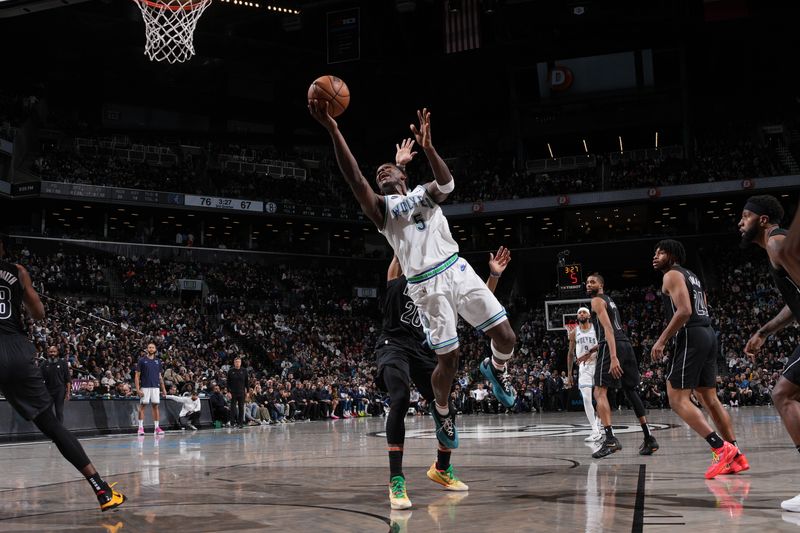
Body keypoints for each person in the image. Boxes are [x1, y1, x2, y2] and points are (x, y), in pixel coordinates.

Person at [308, 103, 517, 451]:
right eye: (379, 173)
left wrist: (429, 149)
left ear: (404, 175)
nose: (381, 172)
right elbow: (355, 178)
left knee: (507, 336)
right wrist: (332, 128)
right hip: (426, 285)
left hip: (456, 267)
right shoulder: (383, 211)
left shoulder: (423, 193)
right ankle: (442, 410)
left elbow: (447, 183)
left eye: (388, 168)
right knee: (448, 360)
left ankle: (496, 368)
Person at [379, 236, 512, 510]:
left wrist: (493, 276)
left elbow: (475, 303)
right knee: (401, 399)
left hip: (421, 349)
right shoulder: (399, 278)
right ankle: (396, 480)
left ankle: (441, 469)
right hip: (393, 345)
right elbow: (399, 251)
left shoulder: (439, 282)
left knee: (446, 404)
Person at [0, 233, 125, 511]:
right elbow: (39, 313)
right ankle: (101, 490)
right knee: (53, 426)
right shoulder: (17, 271)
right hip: (16, 349)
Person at [651, 239, 747, 479]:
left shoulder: (671, 275)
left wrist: (662, 340)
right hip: (707, 333)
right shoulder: (692, 276)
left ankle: (719, 447)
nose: (655, 256)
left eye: (661, 252)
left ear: (673, 256)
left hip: (690, 334)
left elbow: (684, 311)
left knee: (676, 398)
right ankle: (736, 454)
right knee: (708, 397)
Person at [737, 195, 800, 511]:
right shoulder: (780, 245)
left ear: (763, 220)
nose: (740, 222)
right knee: (785, 395)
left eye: (746, 216)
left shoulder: (777, 244)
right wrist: (764, 331)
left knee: (783, 395)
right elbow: (795, 301)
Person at [586, 273, 659, 459]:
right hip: (625, 344)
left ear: (601, 285)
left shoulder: (596, 301)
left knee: (599, 392)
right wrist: (592, 350)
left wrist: (613, 357)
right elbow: (613, 330)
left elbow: (608, 330)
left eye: (592, 281)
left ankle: (610, 439)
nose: (588, 284)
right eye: (587, 282)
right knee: (630, 390)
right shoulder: (610, 301)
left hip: (613, 347)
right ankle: (649, 437)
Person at [566, 307, 602, 442]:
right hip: (584, 368)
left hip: (598, 364)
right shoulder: (574, 332)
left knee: (600, 397)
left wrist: (590, 353)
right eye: (579, 312)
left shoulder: (596, 328)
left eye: (584, 312)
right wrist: (569, 374)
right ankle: (595, 430)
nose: (581, 314)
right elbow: (570, 354)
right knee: (586, 398)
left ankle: (598, 425)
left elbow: (604, 343)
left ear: (589, 315)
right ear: (577, 316)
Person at [134, 342, 167, 436]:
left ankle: (157, 428)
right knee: (143, 406)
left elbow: (160, 376)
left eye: (153, 347)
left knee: (155, 406)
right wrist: (137, 389)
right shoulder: (142, 360)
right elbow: (137, 376)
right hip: (145, 386)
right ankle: (140, 428)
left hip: (156, 387)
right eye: (149, 347)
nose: (151, 349)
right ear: (147, 349)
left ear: (155, 349)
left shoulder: (158, 361)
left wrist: (163, 388)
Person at [41, 344, 71, 423]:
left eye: (54, 352)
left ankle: (60, 430)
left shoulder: (63, 363)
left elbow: (68, 379)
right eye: (51, 352)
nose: (52, 353)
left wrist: (68, 393)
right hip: (48, 391)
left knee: (59, 411)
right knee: (48, 412)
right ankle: (51, 430)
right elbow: (40, 379)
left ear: (57, 352)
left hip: (60, 390)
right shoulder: (44, 364)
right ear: (48, 353)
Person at [227, 356, 248, 428]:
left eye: (239, 362)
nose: (237, 363)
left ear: (241, 362)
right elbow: (228, 382)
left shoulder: (244, 370)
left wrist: (247, 391)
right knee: (233, 408)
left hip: (241, 392)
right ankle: (232, 423)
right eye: (236, 362)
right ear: (234, 363)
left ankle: (240, 423)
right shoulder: (230, 371)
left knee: (241, 408)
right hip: (233, 392)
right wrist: (228, 392)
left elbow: (246, 382)